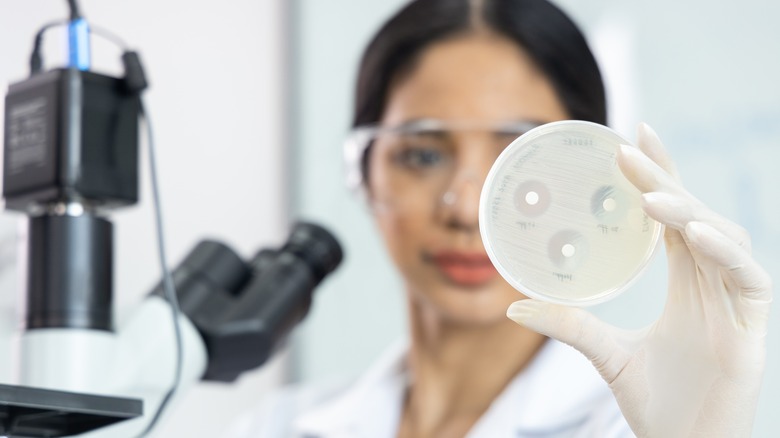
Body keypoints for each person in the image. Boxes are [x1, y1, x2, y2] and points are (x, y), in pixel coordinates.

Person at [228, 0, 772, 436]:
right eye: (423, 155)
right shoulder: (277, 427)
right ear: (364, 172)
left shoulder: (629, 428)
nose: (467, 211)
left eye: (518, 162)